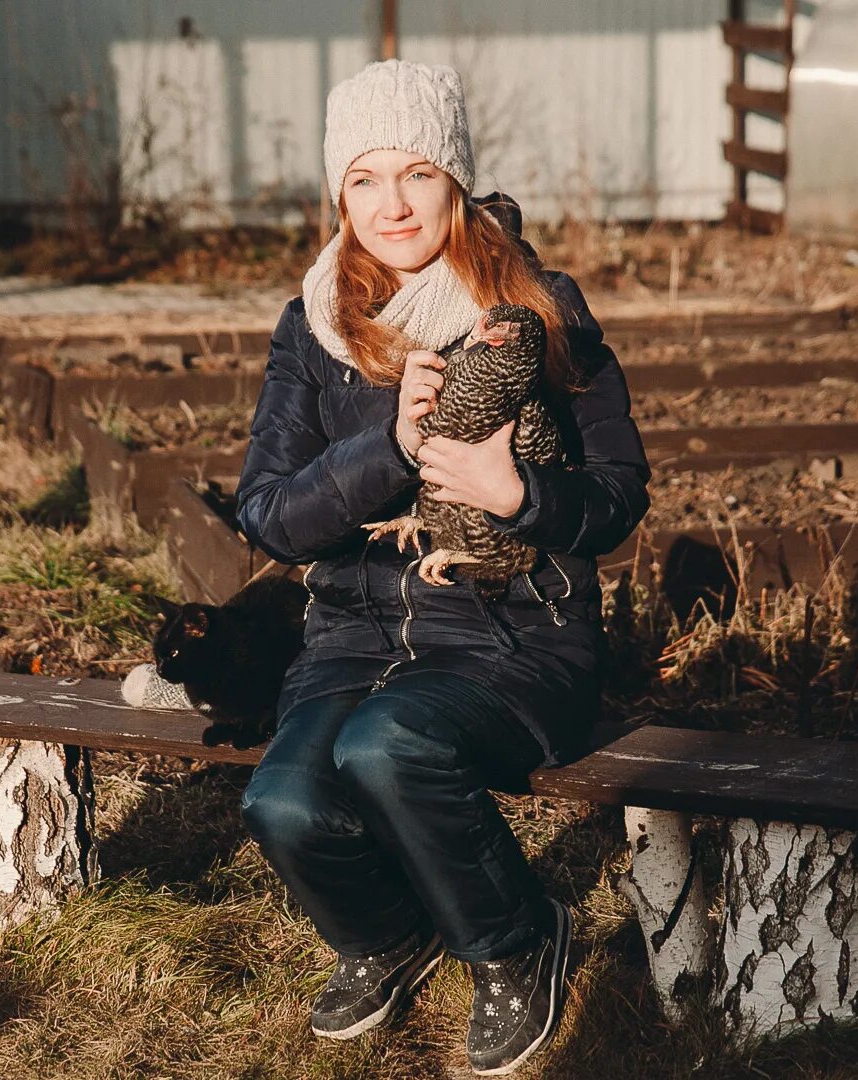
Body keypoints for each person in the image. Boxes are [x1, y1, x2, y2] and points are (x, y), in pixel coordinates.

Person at [234, 58, 648, 1076]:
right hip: (350, 639)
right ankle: (384, 935)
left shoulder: (537, 308)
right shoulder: (315, 324)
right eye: (366, 179)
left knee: (387, 746)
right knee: (280, 801)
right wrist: (392, 448)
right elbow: (270, 517)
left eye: (417, 173)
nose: (393, 204)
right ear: (339, 193)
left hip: (516, 640)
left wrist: (521, 498)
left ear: (455, 179)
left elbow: (620, 496)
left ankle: (515, 942)